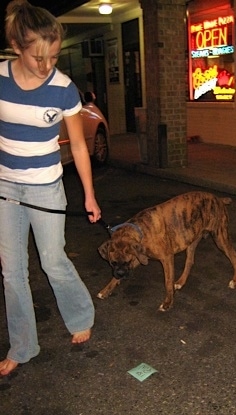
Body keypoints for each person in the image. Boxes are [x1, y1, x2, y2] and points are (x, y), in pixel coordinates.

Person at [0, 0, 101, 376]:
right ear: (16, 46)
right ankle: (22, 346)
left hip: (46, 188)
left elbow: (77, 145)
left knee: (53, 260)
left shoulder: (63, 89)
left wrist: (89, 195)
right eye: (37, 57)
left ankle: (80, 316)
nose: (47, 66)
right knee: (12, 272)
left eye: (54, 56)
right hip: (5, 188)